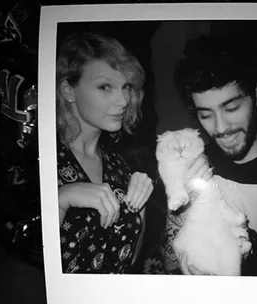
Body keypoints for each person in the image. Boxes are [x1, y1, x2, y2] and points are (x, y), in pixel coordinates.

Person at [168, 34, 257, 276]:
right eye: (206, 115)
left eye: (232, 108)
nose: (221, 127)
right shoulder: (195, 163)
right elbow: (171, 250)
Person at [56, 32, 154, 274]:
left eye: (126, 87)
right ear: (68, 91)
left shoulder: (120, 166)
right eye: (105, 87)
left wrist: (139, 205)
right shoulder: (39, 159)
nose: (123, 100)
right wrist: (59, 200)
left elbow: (128, 262)